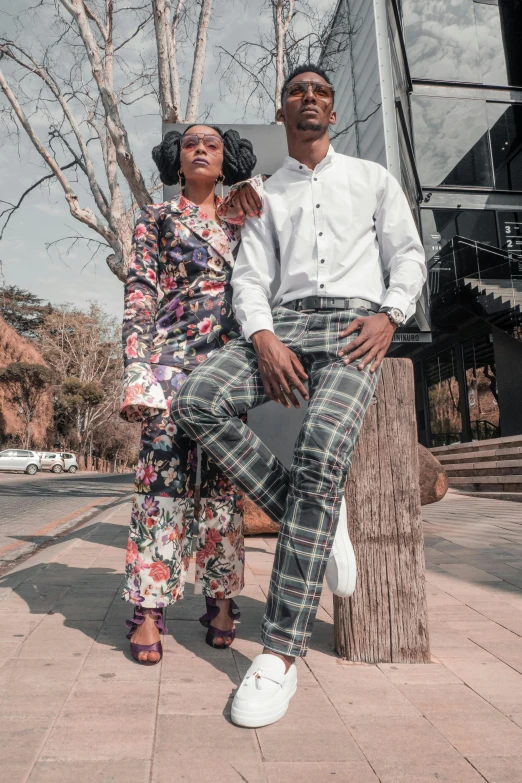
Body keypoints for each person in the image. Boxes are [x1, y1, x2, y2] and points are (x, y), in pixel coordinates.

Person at [173, 64, 426, 724]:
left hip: (355, 325)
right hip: (281, 326)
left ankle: (280, 653)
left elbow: (410, 257)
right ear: (282, 111)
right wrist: (262, 338)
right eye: (297, 93)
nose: (310, 99)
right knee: (197, 399)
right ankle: (316, 515)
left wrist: (390, 314)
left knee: (318, 452)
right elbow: (248, 281)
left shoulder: (373, 179)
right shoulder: (259, 192)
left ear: (332, 114)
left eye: (321, 93)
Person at [120, 124, 263, 665]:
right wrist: (138, 365)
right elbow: (141, 290)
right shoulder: (154, 219)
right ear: (176, 160)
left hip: (228, 370)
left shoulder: (247, 218)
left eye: (212, 143)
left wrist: (256, 185)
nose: (200, 148)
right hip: (168, 364)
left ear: (226, 159)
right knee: (162, 489)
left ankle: (222, 601)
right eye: (189, 144)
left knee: (224, 491)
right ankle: (149, 611)